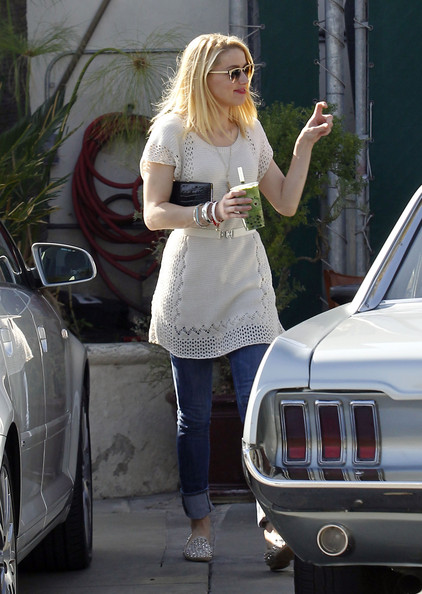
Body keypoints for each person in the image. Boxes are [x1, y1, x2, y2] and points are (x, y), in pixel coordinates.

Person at [140, 32, 332, 564]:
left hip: (246, 281)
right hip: (193, 284)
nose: (244, 79)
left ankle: (271, 523)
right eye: (233, 71)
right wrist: (208, 211)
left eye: (247, 69)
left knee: (258, 408)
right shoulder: (172, 132)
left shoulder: (250, 130)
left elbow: (285, 202)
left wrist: (303, 148)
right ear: (203, 77)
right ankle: (199, 523)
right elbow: (154, 213)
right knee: (196, 417)